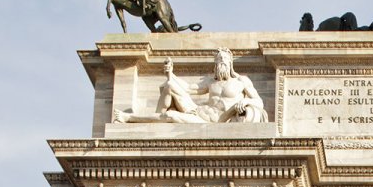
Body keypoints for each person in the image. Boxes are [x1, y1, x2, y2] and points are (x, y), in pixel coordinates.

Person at [115, 50, 268, 124]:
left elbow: (259, 102)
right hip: (197, 113)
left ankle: (129, 117)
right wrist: (171, 74)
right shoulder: (211, 82)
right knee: (169, 85)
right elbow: (188, 88)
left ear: (230, 62)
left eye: (224, 59)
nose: (221, 61)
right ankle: (155, 128)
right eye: (218, 59)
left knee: (171, 116)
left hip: (214, 122)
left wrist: (246, 102)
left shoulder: (241, 81)